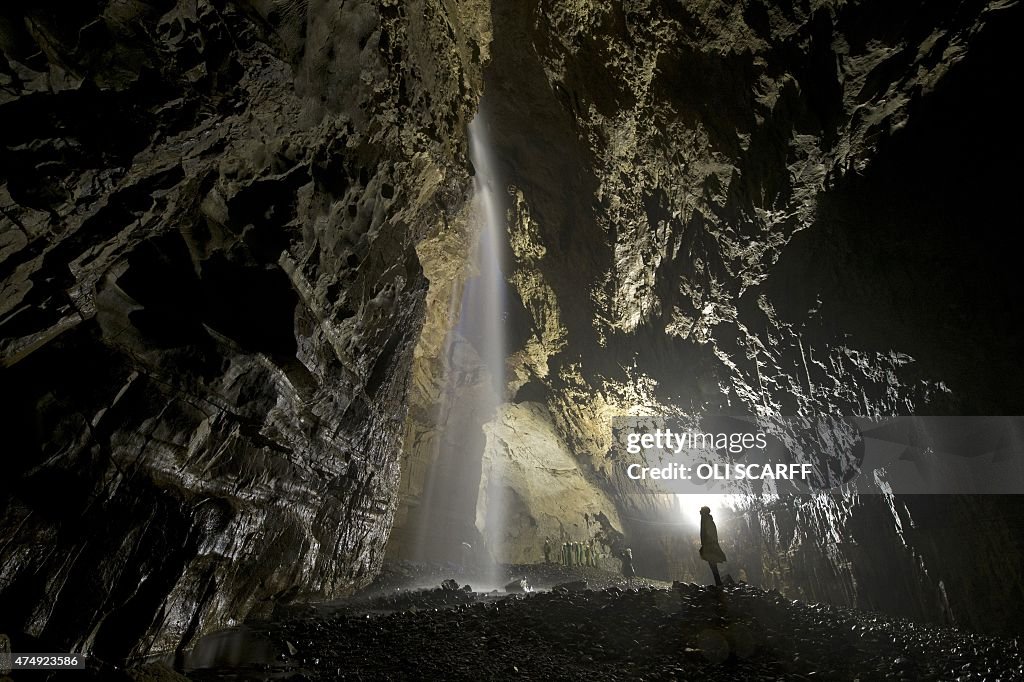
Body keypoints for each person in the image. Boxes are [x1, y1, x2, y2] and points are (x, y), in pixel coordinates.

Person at [699, 506, 727, 586]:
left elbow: (711, 535)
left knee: (713, 565)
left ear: (704, 512)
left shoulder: (707, 521)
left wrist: (708, 546)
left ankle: (719, 583)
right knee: (712, 565)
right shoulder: (706, 520)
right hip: (709, 546)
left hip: (710, 547)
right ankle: (718, 583)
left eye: (701, 511)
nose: (699, 512)